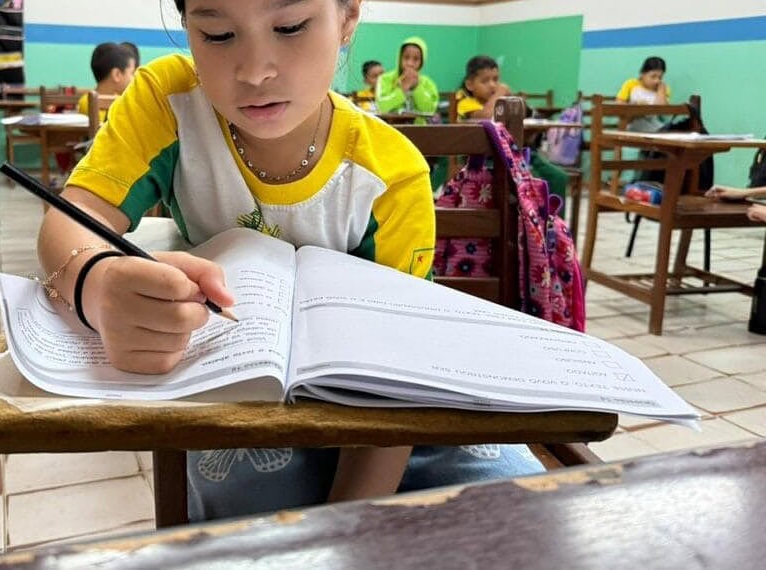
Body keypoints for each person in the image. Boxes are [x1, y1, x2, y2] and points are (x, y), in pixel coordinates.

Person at [39, 0, 542, 522]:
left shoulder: (390, 175)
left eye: (291, 26)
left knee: (522, 510)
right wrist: (93, 284)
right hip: (247, 402)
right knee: (244, 522)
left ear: (347, 18)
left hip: (395, 416)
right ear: (186, 27)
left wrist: (342, 526)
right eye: (216, 34)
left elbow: (399, 379)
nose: (255, 70)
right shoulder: (170, 102)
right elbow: (76, 213)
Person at [457, 55, 569, 200]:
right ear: (470, 84)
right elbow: (484, 117)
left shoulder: (501, 104)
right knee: (532, 181)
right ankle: (530, 219)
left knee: (558, 177)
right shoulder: (466, 103)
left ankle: (552, 221)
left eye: (496, 80)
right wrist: (499, 94)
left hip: (516, 154)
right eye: (485, 81)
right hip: (487, 160)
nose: (492, 85)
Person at [374, 36, 439, 122]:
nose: (410, 63)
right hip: (391, 129)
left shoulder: (428, 83)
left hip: (419, 130)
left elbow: (430, 110)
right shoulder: (385, 79)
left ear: (422, 62)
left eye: (416, 59)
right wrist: (402, 90)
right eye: (406, 57)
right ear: (400, 58)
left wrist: (417, 87)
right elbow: (381, 107)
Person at [76, 42, 136, 119]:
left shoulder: (120, 99)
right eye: (132, 73)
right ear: (116, 75)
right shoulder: (88, 102)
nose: (134, 78)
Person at [616, 56, 669, 132]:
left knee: (665, 129)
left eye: (660, 77)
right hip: (632, 121)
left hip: (652, 122)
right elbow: (619, 105)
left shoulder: (661, 88)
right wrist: (637, 108)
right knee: (659, 130)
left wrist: (661, 90)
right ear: (642, 74)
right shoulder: (631, 84)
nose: (657, 81)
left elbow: (663, 110)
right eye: (653, 76)